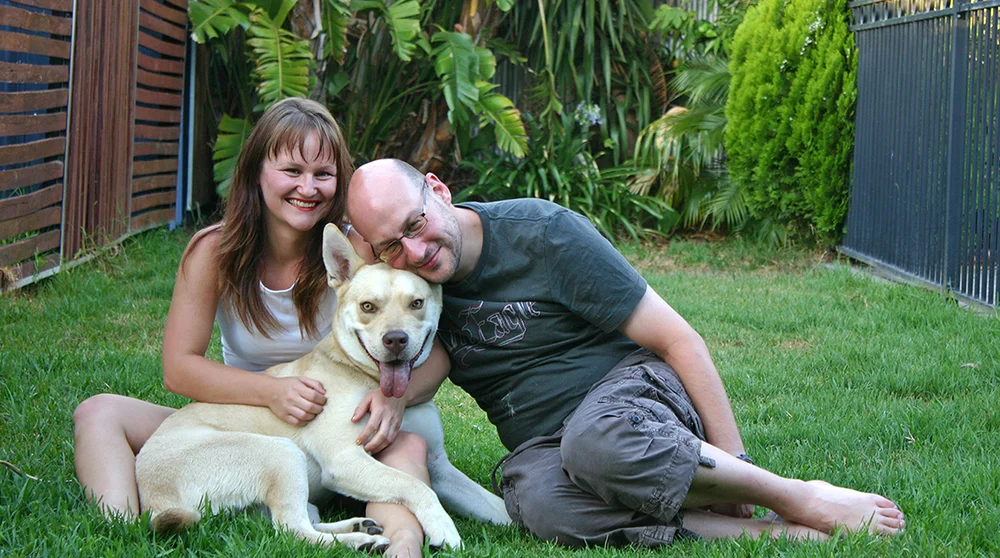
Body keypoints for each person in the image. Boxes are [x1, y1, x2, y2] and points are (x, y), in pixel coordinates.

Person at [344, 158, 907, 547]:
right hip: (543, 444)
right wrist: (390, 394)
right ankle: (766, 534)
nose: (415, 249)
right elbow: (425, 360)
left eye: (417, 224)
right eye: (392, 244)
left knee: (596, 442)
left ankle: (797, 497)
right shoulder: (420, 292)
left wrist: (738, 460)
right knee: (541, 505)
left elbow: (679, 339)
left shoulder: (545, 234)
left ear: (438, 190)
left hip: (626, 398)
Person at [72, 99, 445, 558]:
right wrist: (271, 393)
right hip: (246, 413)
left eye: (323, 174)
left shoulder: (355, 252)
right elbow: (178, 368)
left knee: (405, 445)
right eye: (291, 170)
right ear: (256, 171)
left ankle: (402, 544)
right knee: (98, 411)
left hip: (337, 420)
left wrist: (395, 396)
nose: (307, 188)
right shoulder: (215, 251)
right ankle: (124, 527)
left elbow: (430, 337)